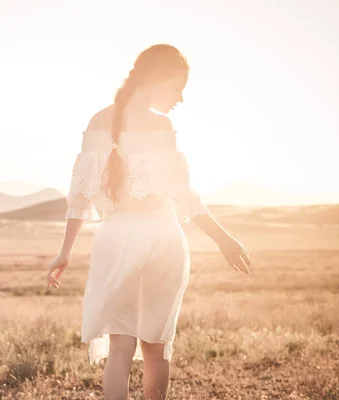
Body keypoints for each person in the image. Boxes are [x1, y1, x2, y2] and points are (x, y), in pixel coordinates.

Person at [45, 44, 251, 400]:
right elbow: (184, 197)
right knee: (155, 347)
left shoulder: (97, 121)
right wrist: (223, 239)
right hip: (161, 238)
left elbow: (79, 194)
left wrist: (65, 251)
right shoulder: (160, 125)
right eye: (178, 86)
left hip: (114, 239)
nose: (181, 98)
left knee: (120, 347)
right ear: (156, 78)